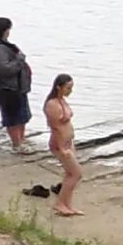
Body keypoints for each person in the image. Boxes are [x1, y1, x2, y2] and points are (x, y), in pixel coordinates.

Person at [0, 17, 33, 151]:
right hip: (8, 89)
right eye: (8, 29)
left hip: (17, 87)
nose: (9, 32)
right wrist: (19, 60)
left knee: (22, 116)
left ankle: (21, 140)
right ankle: (17, 144)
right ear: (4, 31)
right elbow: (5, 69)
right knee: (13, 118)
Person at [43, 72, 82, 216]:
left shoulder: (62, 101)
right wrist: (61, 148)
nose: (70, 91)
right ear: (59, 87)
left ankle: (67, 204)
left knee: (70, 174)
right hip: (60, 144)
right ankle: (60, 203)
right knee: (76, 173)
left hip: (68, 142)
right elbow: (56, 128)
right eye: (68, 88)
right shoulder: (52, 104)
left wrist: (70, 143)